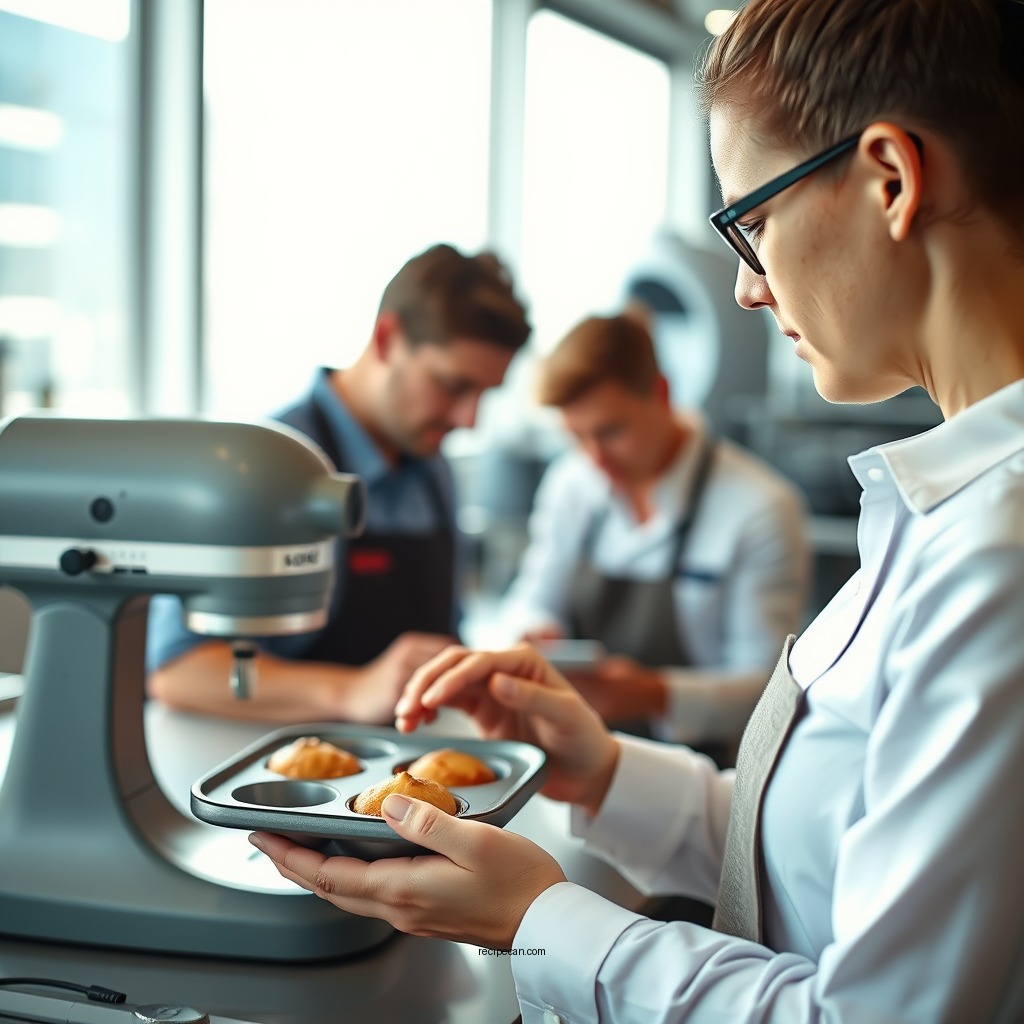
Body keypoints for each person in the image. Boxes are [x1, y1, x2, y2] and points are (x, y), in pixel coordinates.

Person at [249, 1, 1024, 1021]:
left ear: (890, 177)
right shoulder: (933, 507)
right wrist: (602, 767)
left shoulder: (992, 554)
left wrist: (543, 918)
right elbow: (830, 850)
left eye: (750, 221)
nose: (748, 289)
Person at [146, 243, 531, 723]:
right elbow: (178, 670)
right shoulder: (263, 468)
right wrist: (349, 691)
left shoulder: (435, 473)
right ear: (388, 339)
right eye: (453, 386)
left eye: (484, 395)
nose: (469, 419)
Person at [501, 312, 810, 757]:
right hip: (577, 751)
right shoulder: (572, 482)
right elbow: (532, 598)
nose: (595, 459)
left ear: (661, 393)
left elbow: (766, 688)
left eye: (611, 431)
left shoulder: (761, 507)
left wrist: (654, 694)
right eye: (576, 436)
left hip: (705, 771)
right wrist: (536, 630)